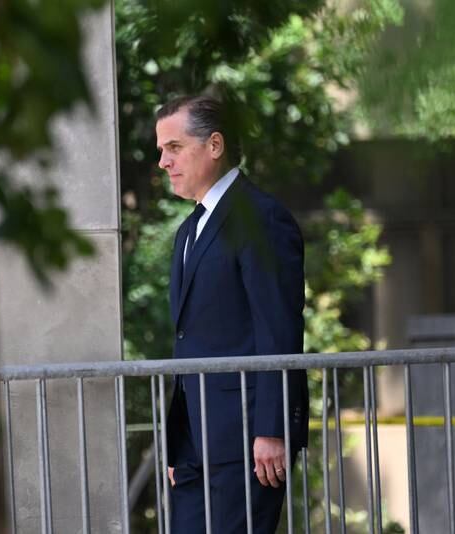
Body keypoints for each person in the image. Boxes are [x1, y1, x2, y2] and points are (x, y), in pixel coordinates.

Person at [156, 94, 309, 533]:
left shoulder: (260, 218)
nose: (164, 162)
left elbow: (277, 326)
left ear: (215, 146)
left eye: (174, 148)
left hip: (246, 440)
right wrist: (180, 442)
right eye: (161, 151)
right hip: (193, 446)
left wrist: (273, 430)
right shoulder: (189, 230)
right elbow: (190, 336)